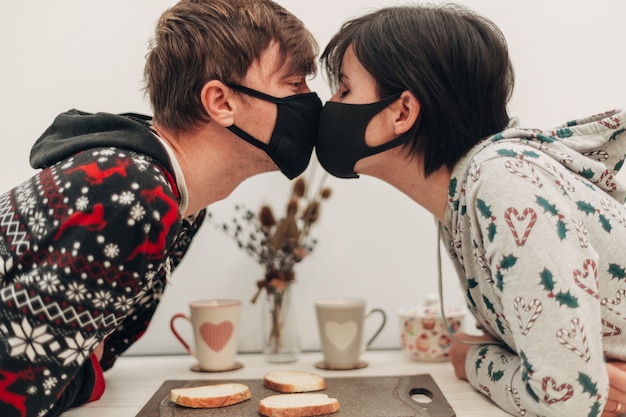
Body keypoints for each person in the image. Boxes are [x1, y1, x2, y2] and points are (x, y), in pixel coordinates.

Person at [0, 0, 321, 416]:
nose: (311, 101)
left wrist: (84, 367)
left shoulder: (178, 202)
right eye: (294, 83)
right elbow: (15, 400)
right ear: (221, 101)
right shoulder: (130, 193)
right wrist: (88, 375)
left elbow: (100, 350)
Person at [315, 4, 626, 417]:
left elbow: (566, 400)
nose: (331, 104)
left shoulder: (504, 183)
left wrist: (471, 360)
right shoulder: (469, 192)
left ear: (402, 112)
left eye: (345, 89)